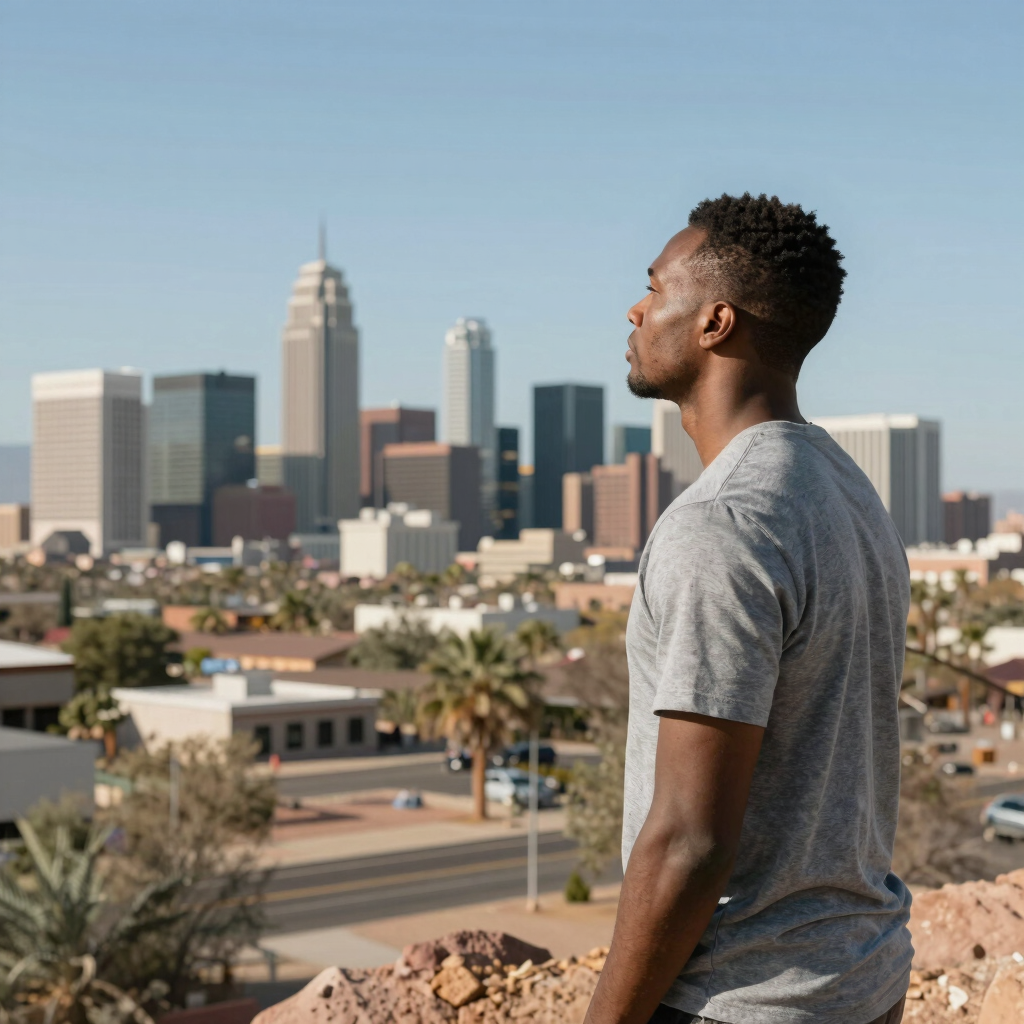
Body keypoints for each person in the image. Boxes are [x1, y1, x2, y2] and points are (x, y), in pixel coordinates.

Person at [584, 193, 912, 1024]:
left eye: (655, 288)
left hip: (742, 1000)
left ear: (714, 323)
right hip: (860, 979)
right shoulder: (846, 490)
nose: (635, 307)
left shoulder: (722, 526)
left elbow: (689, 840)